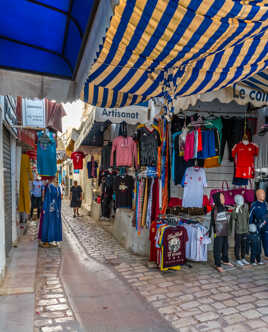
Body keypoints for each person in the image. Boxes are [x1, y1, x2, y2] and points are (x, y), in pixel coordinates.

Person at [209, 192, 233, 273]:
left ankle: (225, 260)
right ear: (218, 199)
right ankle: (218, 264)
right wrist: (215, 232)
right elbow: (213, 222)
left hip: (224, 231)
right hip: (218, 232)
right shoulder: (215, 209)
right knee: (217, 248)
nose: (224, 199)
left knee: (225, 246)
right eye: (222, 198)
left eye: (223, 197)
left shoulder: (223, 207)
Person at [41, 177, 62, 248]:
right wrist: (45, 208)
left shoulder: (58, 187)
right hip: (51, 208)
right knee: (51, 224)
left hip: (56, 209)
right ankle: (50, 239)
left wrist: (59, 208)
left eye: (57, 179)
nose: (56, 180)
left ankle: (55, 239)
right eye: (55, 178)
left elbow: (59, 199)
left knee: (55, 224)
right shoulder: (50, 187)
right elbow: (47, 198)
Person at [229, 195, 249, 266]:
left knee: (244, 245)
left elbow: (247, 218)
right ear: (236, 201)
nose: (241, 200)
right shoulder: (235, 210)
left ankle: (243, 258)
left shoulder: (245, 209)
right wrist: (236, 209)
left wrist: (247, 228)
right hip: (238, 231)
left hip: (245, 230)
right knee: (237, 245)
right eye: (239, 199)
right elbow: (233, 218)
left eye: (241, 199)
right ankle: (238, 259)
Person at [249, 189, 268, 257]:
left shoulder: (266, 204)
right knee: (257, 243)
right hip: (257, 227)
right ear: (257, 195)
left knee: (266, 241)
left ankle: (267, 254)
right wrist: (250, 226)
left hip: (266, 227)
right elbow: (250, 216)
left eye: (264, 193)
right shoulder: (254, 205)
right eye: (262, 194)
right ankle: (257, 257)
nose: (264, 195)